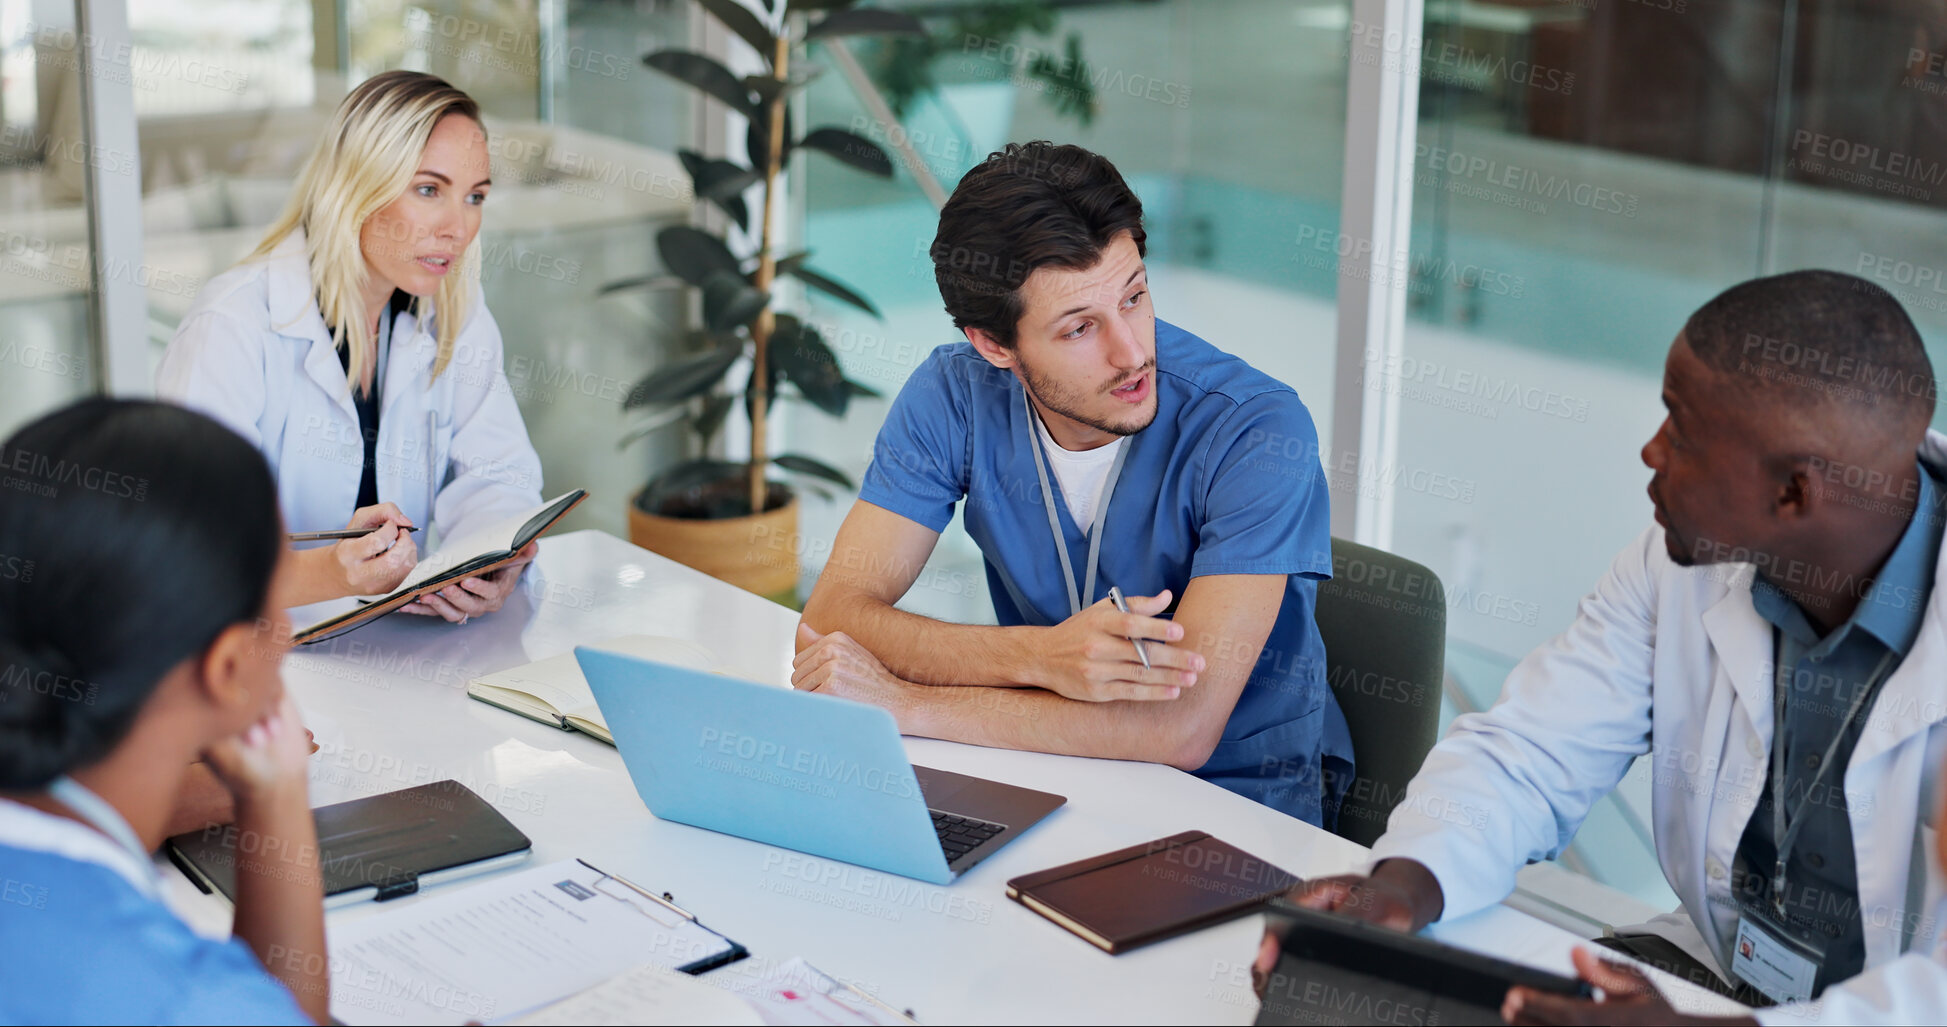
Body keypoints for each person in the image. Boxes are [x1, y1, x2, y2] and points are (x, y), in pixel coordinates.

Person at [1294, 271, 1947, 1022]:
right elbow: (1531, 751)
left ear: (1794, 493)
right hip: (1711, 971)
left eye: (1681, 428)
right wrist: (1401, 886)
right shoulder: (1678, 565)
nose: (1649, 449)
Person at [792, 141, 1353, 825]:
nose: (1132, 351)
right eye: (1080, 327)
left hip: (1236, 800)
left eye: (1135, 295)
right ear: (995, 346)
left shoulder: (1256, 430)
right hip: (1045, 764)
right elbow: (832, 618)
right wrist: (1037, 655)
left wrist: (908, 702)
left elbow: (1179, 728)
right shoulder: (954, 395)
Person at [158, 69, 542, 623]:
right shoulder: (232, 326)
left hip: (397, 646)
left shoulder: (451, 311)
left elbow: (499, 474)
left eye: (475, 196)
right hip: (254, 658)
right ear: (358, 185)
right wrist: (334, 574)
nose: (458, 228)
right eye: (429, 189)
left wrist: (494, 562)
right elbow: (193, 556)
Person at [0, 399, 324, 1023]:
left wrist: (274, 794)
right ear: (227, 666)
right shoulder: (174, 997)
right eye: (281, 595)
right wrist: (280, 792)